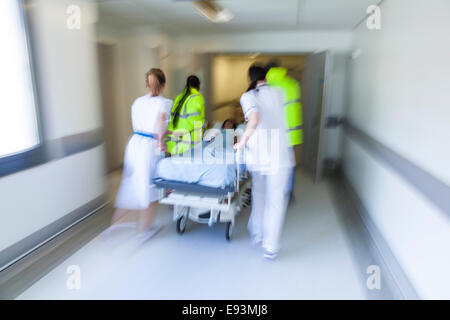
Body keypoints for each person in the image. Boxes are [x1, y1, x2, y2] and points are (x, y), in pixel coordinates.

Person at [234, 65, 294, 260]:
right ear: (266, 76)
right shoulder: (280, 92)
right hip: (280, 156)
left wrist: (242, 142)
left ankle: (257, 233)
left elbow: (254, 119)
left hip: (259, 156)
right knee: (275, 201)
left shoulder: (248, 96)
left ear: (249, 78)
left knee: (259, 194)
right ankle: (271, 247)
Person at [110, 68, 172, 241]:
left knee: (131, 183)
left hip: (134, 144)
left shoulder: (137, 102)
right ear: (164, 84)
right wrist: (161, 141)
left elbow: (146, 125)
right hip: (149, 148)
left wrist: (163, 135)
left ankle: (114, 225)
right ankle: (145, 229)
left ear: (147, 84)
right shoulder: (165, 102)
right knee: (150, 187)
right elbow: (160, 123)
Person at [265, 61, 303, 200]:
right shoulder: (293, 84)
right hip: (291, 134)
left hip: (273, 133)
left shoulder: (267, 86)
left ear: (267, 71)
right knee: (288, 164)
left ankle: (273, 192)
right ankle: (288, 193)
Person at [167, 75, 206, 155]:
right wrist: (204, 124)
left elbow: (172, 118)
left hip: (174, 142)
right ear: (198, 86)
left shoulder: (179, 97)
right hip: (188, 143)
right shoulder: (197, 98)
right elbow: (195, 121)